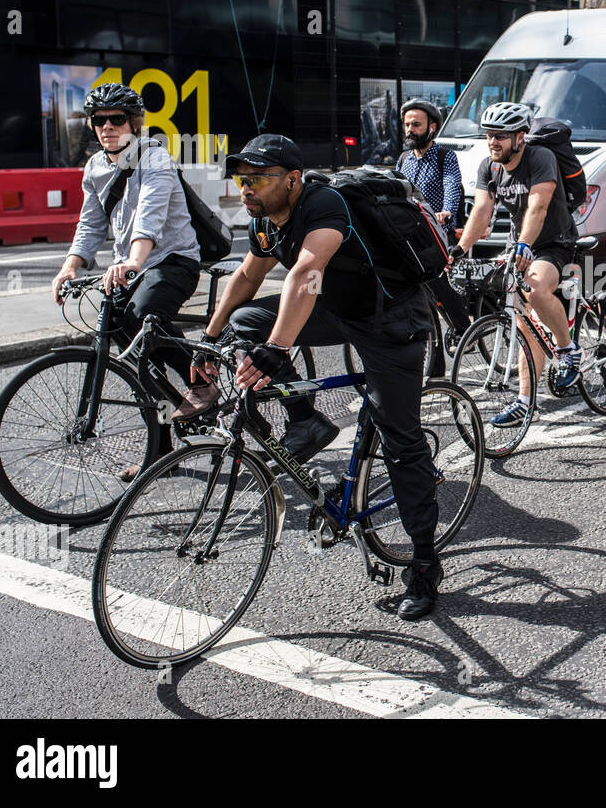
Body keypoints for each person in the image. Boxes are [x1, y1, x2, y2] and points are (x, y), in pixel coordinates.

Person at [190, 133, 443, 619]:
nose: (247, 189)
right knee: (246, 321)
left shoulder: (325, 206)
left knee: (400, 442)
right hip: (338, 310)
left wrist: (277, 348)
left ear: (292, 179)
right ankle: (305, 420)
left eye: (259, 179)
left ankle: (425, 565)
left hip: (390, 321)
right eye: (242, 180)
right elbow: (247, 276)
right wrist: (210, 335)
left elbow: (306, 271)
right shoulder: (266, 219)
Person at [52, 83, 202, 478]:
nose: (107, 127)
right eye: (99, 121)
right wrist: (71, 265)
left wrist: (134, 260)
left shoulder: (155, 158)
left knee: (142, 312)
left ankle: (202, 381)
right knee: (135, 353)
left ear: (134, 123)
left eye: (116, 119)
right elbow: (90, 223)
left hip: (173, 261)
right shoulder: (96, 167)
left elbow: (149, 216)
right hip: (130, 267)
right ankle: (161, 448)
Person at [454, 102, 580, 426]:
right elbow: (481, 211)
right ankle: (525, 401)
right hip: (519, 245)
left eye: (501, 136)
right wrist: (458, 249)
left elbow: (538, 207)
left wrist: (525, 244)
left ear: (520, 137)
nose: (493, 142)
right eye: (489, 135)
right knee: (524, 322)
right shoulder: (489, 166)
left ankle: (567, 349)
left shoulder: (541, 158)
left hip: (555, 243)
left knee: (535, 290)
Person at [395, 98, 469, 377]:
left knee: (436, 283)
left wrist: (446, 211)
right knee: (418, 295)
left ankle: (464, 327)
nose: (410, 130)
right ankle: (434, 361)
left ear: (432, 127)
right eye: (407, 125)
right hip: (411, 236)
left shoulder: (444, 156)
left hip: (438, 234)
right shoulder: (403, 160)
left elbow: (452, 186)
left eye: (416, 124)